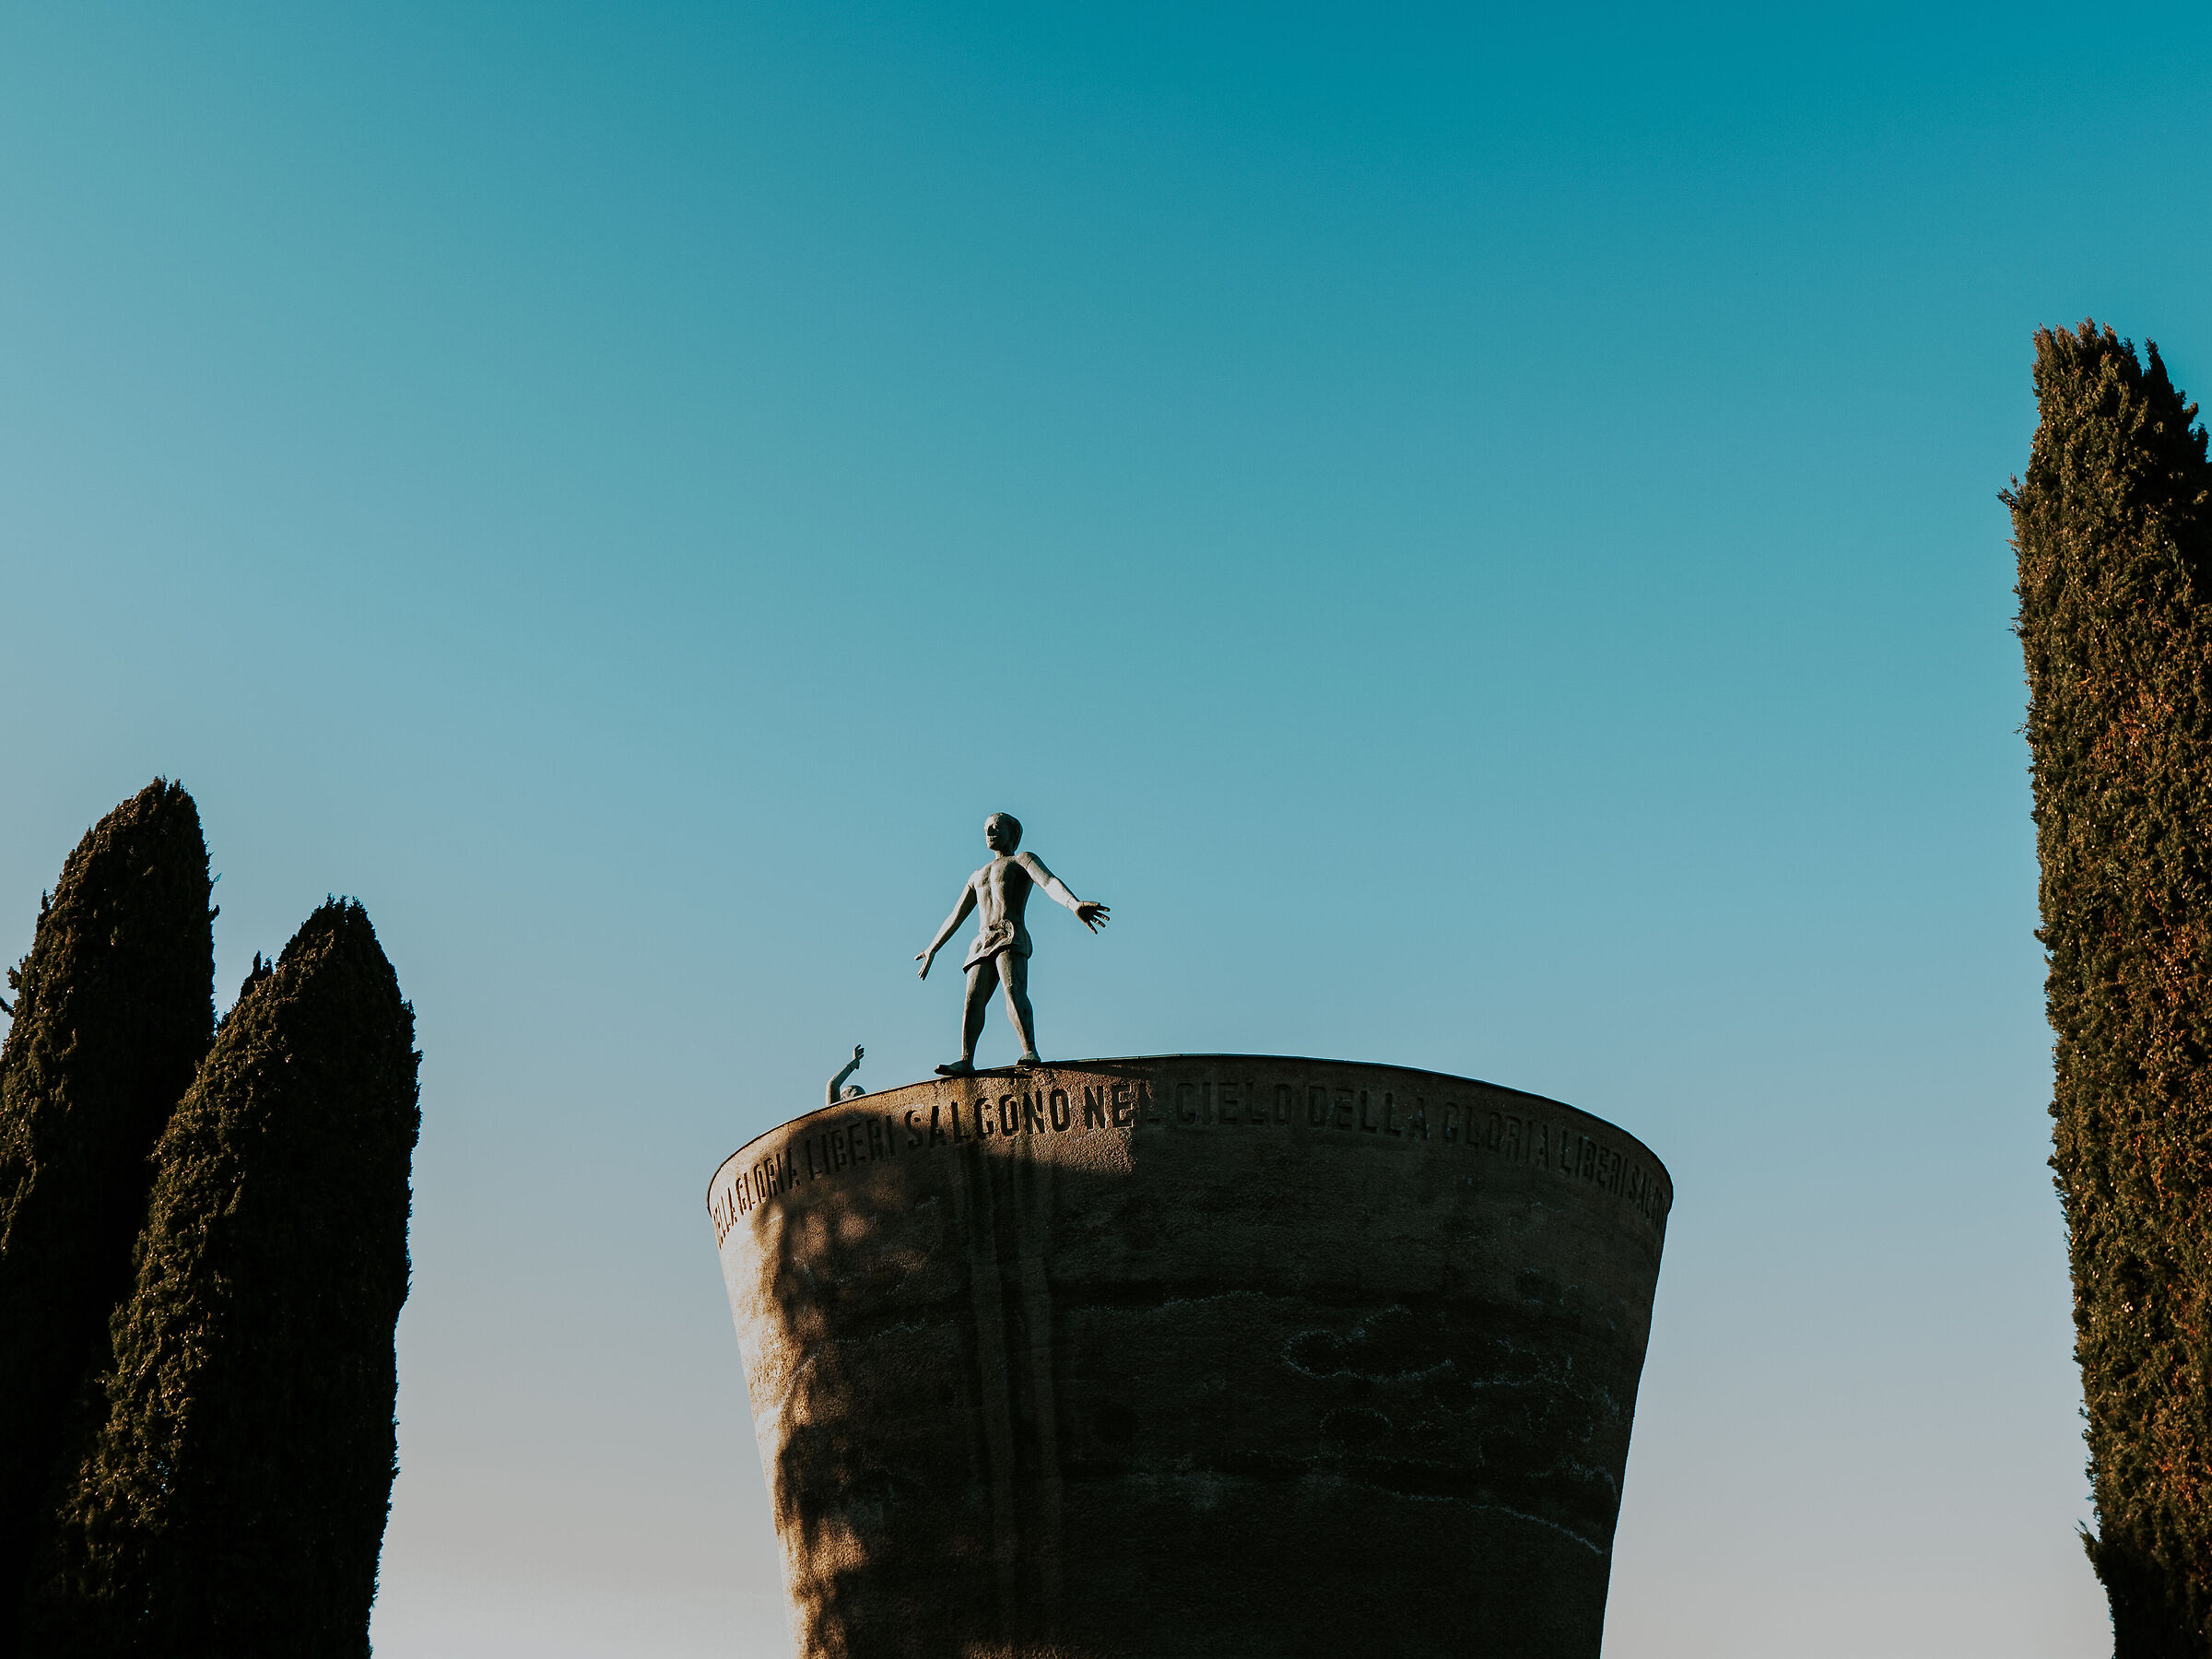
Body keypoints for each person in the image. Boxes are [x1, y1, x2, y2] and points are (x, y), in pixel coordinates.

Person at [916, 813, 1108, 1075]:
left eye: (996, 825)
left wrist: (1073, 904)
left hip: (1009, 932)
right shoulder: (976, 875)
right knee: (972, 1001)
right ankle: (966, 1058)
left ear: (1013, 832)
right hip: (982, 940)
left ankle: (1030, 1049)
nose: (989, 830)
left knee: (1013, 990)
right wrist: (933, 947)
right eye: (985, 827)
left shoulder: (1022, 859)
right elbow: (956, 915)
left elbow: (1048, 881)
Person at [826, 1044, 865, 1111]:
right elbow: (832, 1084)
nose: (855, 1092)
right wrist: (853, 1063)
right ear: (842, 1098)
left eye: (860, 1094)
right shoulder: (836, 1111)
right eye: (850, 1091)